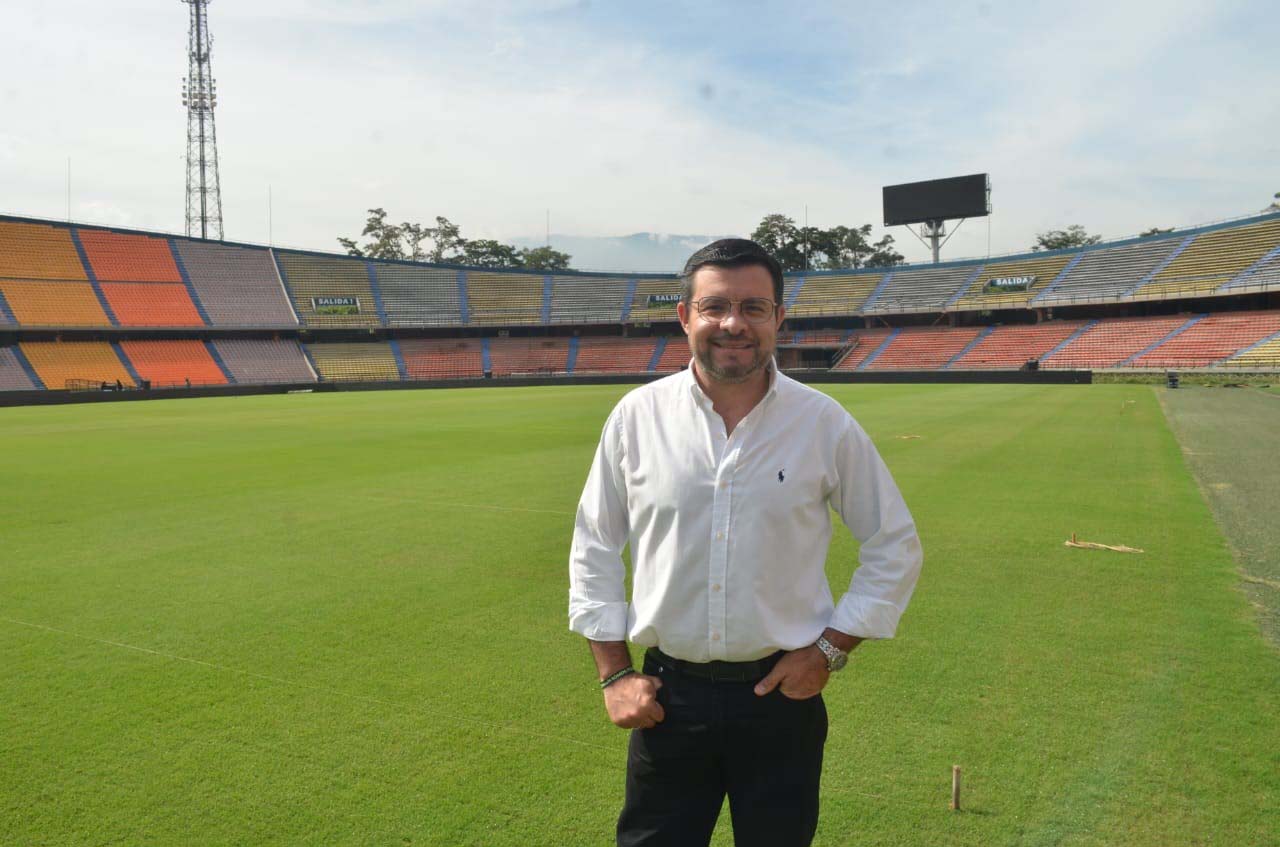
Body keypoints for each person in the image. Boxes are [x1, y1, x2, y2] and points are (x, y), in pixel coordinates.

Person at [568, 238, 923, 847]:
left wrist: (831, 650)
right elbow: (594, 544)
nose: (734, 324)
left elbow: (894, 544)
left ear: (778, 318)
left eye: (754, 308)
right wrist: (614, 674)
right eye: (715, 307)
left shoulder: (823, 422)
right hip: (668, 700)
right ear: (685, 316)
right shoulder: (637, 416)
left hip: (781, 699)